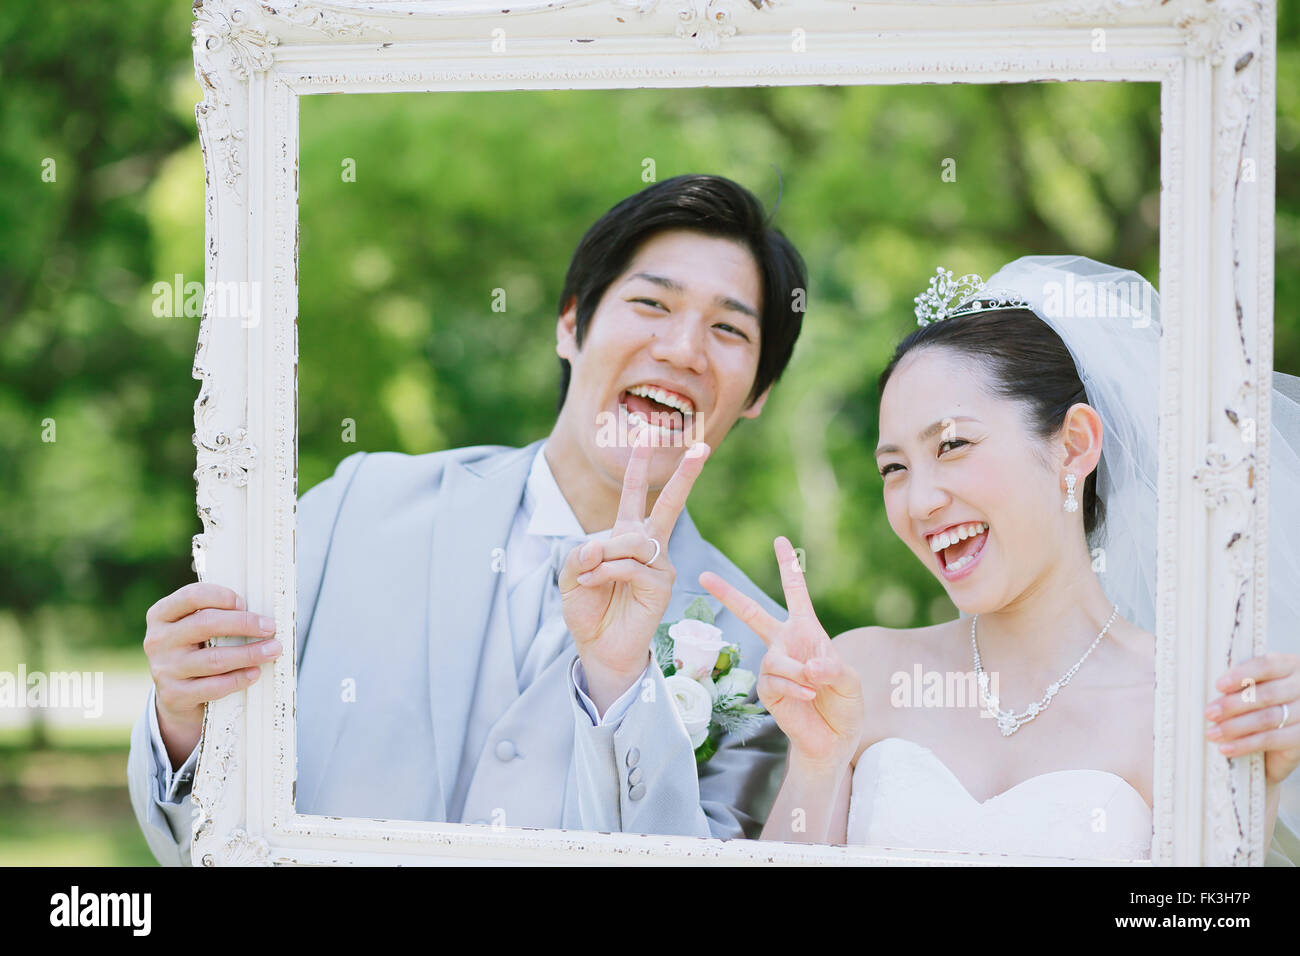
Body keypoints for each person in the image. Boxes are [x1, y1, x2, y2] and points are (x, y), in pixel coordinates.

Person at [127, 174, 807, 865]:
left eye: (728, 328)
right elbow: (205, 838)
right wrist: (182, 719)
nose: (683, 349)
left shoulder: (755, 653)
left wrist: (624, 691)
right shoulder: (356, 507)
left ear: (758, 394)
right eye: (651, 302)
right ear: (571, 324)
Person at [701, 255, 1300, 861]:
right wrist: (818, 761)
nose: (922, 500)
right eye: (894, 468)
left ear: (1073, 446)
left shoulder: (1184, 706)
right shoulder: (861, 674)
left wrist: (1255, 800)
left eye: (953, 444)